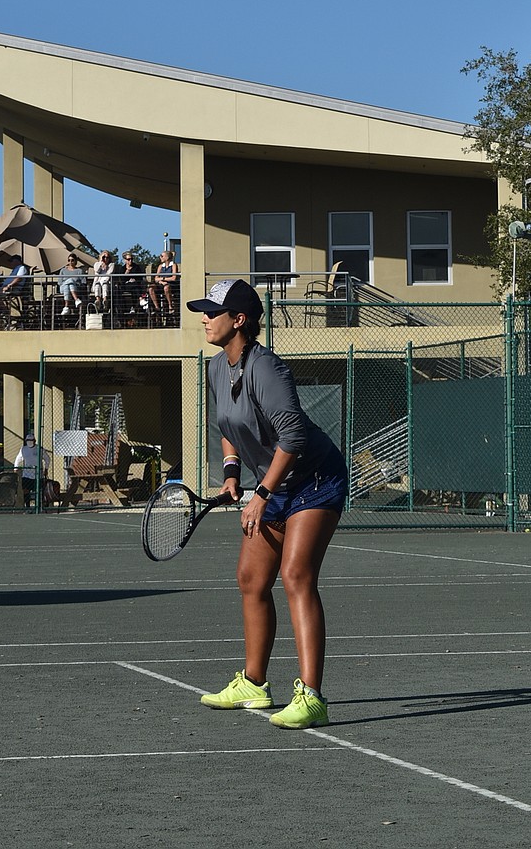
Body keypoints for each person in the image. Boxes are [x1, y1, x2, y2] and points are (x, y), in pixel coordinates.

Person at [187, 278, 348, 730]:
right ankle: (254, 684)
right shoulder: (217, 368)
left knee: (296, 575)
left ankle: (312, 696)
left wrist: (261, 494)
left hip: (316, 479)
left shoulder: (267, 369)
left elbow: (294, 436)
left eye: (211, 312)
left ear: (238, 320)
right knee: (251, 579)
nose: (204, 318)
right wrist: (233, 472)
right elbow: (226, 426)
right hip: (272, 484)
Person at [13, 432, 51, 509]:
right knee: (26, 490)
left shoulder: (39, 449)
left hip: (38, 474)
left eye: (31, 440)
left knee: (39, 491)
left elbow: (47, 459)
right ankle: (27, 507)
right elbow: (18, 459)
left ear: (35, 440)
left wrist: (46, 469)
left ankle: (40, 506)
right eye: (28, 440)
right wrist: (15, 468)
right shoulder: (23, 449)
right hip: (27, 474)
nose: (30, 441)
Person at [148, 249, 179, 322]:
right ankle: (157, 307)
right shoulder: (160, 266)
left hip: (171, 285)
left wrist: (164, 279)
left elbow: (174, 278)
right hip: (161, 284)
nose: (160, 257)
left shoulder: (173, 265)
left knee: (166, 288)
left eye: (162, 256)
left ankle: (170, 306)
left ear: (167, 257)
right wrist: (162, 281)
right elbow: (156, 278)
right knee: (151, 288)